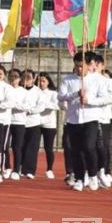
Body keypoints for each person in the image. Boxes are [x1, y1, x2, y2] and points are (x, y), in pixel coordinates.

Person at [58, 52, 110, 191]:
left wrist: (89, 101)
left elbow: (106, 99)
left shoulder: (98, 79)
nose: (79, 69)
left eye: (81, 66)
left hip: (90, 119)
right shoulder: (67, 80)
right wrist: (75, 94)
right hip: (73, 120)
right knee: (75, 150)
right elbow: (61, 96)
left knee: (89, 147)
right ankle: (80, 178)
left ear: (88, 65)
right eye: (76, 66)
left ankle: (93, 174)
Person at [20, 69, 45, 179]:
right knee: (20, 147)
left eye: (29, 78)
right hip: (20, 122)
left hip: (34, 123)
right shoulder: (19, 90)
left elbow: (41, 106)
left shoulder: (38, 92)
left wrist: (29, 110)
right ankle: (19, 167)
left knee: (32, 148)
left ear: (34, 79)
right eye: (24, 78)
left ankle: (30, 170)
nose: (26, 81)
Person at [38, 72, 59, 179]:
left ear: (48, 82)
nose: (41, 83)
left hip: (49, 124)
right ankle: (27, 168)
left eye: (43, 81)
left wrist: (43, 105)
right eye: (39, 81)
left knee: (48, 148)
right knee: (32, 146)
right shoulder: (35, 92)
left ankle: (49, 169)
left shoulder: (53, 93)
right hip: (36, 122)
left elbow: (56, 105)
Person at [6, 69, 27, 180]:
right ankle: (6, 167)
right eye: (11, 77)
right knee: (4, 146)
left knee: (17, 147)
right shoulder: (6, 88)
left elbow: (27, 106)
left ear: (19, 79)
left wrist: (14, 105)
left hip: (19, 122)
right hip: (7, 121)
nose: (13, 79)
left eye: (16, 77)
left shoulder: (24, 92)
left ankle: (16, 169)